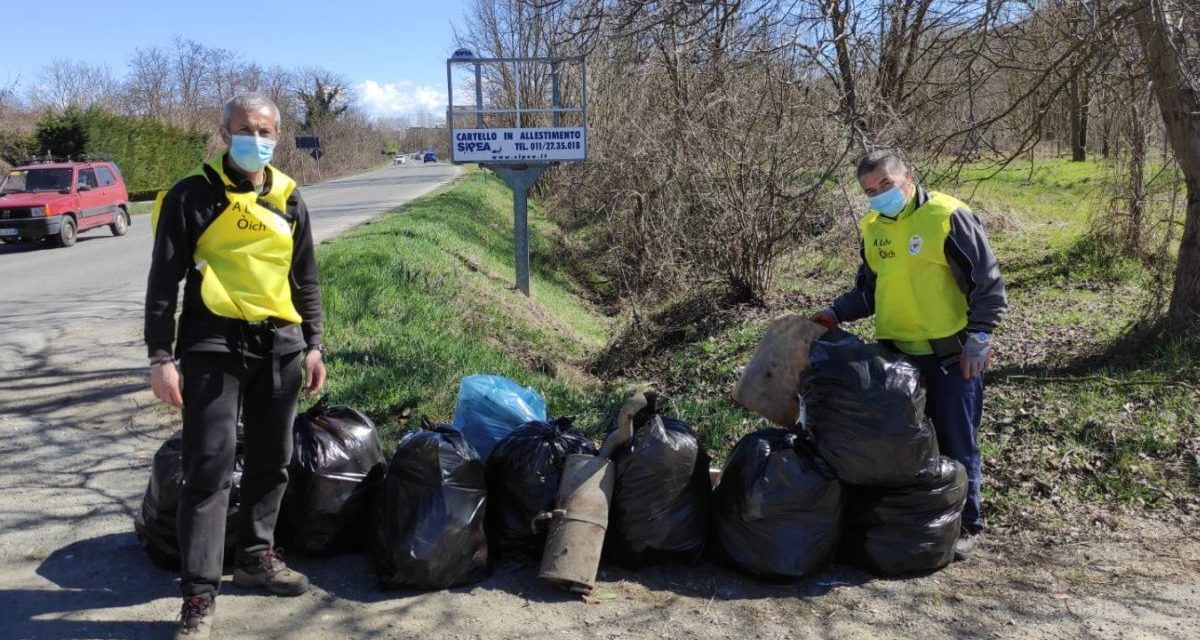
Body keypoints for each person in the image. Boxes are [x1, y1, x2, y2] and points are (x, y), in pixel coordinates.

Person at [145, 93, 327, 639]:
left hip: (281, 346)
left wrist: (314, 343)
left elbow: (307, 278)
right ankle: (198, 595)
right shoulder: (190, 196)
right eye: (247, 129)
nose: (258, 139)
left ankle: (254, 559)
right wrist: (159, 356)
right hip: (212, 347)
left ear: (278, 135)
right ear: (224, 133)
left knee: (274, 461)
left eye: (267, 131)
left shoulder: (289, 197)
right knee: (209, 470)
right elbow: (163, 283)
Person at [812, 150, 1007, 561]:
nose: (879, 195)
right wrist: (834, 313)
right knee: (901, 446)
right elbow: (869, 290)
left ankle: (967, 523)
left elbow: (986, 282)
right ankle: (915, 522)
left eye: (885, 185)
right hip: (896, 361)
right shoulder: (872, 229)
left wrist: (980, 338)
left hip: (952, 358)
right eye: (869, 191)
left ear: (908, 177)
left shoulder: (947, 216)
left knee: (957, 441)